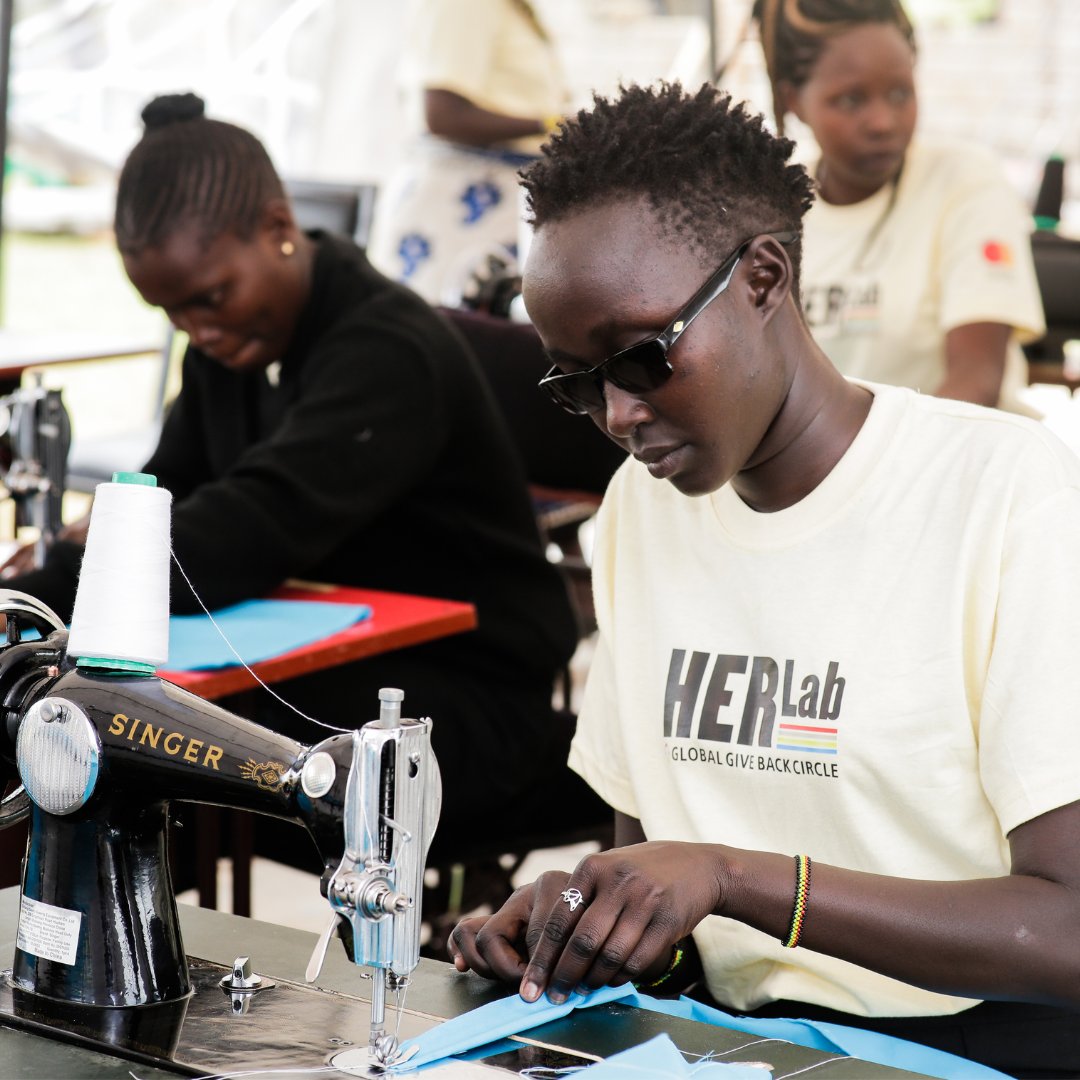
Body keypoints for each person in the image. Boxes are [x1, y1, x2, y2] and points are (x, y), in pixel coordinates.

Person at [447, 81, 1080, 1077]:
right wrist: (587, 917)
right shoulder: (641, 515)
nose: (615, 414)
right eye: (576, 381)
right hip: (731, 1039)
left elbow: (1070, 932)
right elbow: (653, 871)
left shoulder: (1006, 494)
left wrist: (736, 880)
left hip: (973, 1044)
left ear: (765, 276)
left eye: (642, 358)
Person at [3, 92, 581, 863]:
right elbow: (169, 494)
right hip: (352, 664)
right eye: (170, 314)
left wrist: (39, 593)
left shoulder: (388, 351)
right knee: (123, 732)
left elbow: (247, 529)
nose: (197, 331)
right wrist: (92, 545)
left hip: (464, 698)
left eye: (210, 299)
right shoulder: (230, 345)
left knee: (145, 749)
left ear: (278, 229)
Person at [747, 0, 1044, 413]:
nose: (883, 122)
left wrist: (870, 473)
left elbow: (977, 382)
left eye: (900, 93)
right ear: (793, 99)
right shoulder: (771, 214)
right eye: (851, 100)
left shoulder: (964, 182)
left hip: (957, 460)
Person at [366, 0, 568, 306]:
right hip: (456, 210)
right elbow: (441, 114)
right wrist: (554, 123)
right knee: (445, 334)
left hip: (490, 206)